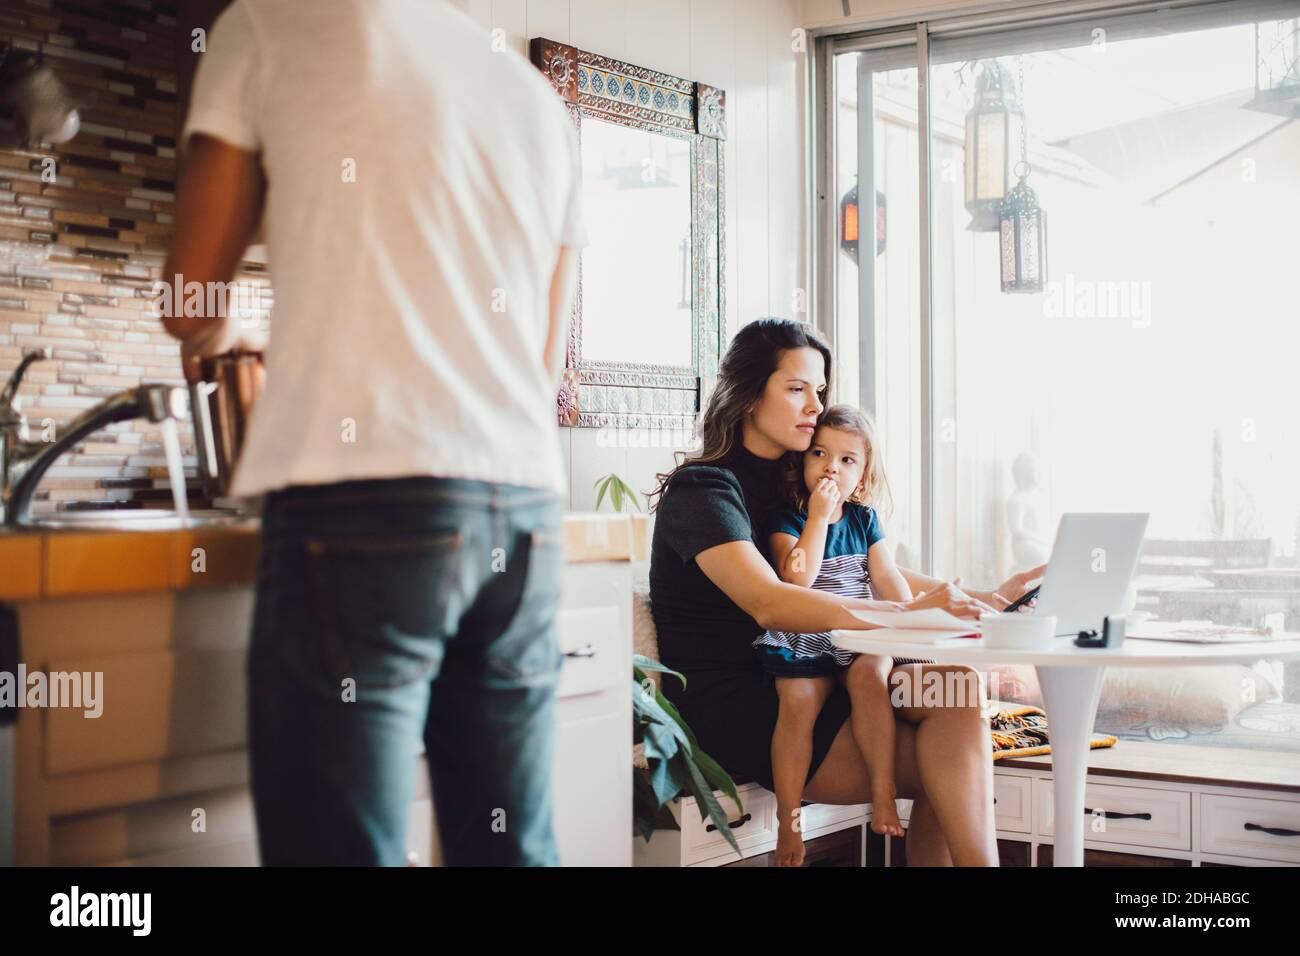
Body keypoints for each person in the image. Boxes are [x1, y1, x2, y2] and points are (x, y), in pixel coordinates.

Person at [159, 0, 586, 865]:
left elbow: (190, 297)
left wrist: (222, 340)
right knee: (508, 849)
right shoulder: (532, 94)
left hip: (366, 503)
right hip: (524, 510)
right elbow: (540, 368)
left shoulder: (268, 25)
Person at [648, 318, 1043, 866]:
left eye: (820, 390)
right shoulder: (705, 490)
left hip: (827, 673)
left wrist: (985, 597)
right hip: (752, 698)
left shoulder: (803, 478)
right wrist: (901, 613)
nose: (815, 404)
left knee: (956, 690)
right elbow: (772, 602)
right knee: (950, 766)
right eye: (796, 388)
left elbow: (862, 568)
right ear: (746, 397)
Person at [754, 404, 919, 865]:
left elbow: (888, 580)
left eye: (847, 460)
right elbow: (797, 579)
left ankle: (882, 792)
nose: (831, 466)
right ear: (801, 463)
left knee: (871, 680)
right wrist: (818, 520)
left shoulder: (865, 520)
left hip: (860, 633)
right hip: (808, 633)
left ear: (862, 478)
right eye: (820, 454)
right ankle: (790, 821)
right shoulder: (786, 518)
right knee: (798, 703)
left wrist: (908, 615)